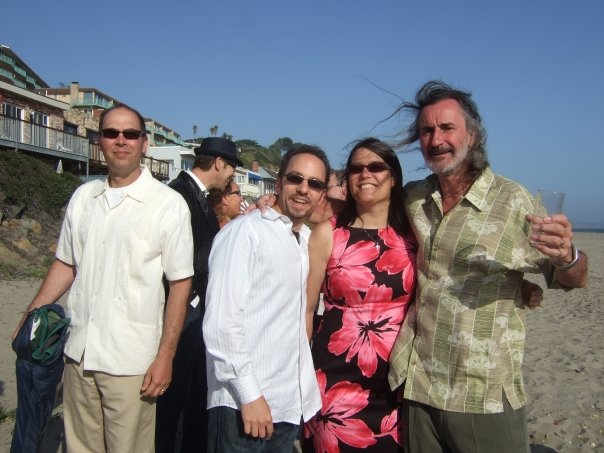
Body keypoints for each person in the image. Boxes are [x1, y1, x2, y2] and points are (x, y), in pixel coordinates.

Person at [387, 80, 588, 453]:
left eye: (447, 128)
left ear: (473, 135)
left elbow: (574, 278)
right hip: (420, 385)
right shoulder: (414, 198)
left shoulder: (513, 201)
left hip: (484, 394)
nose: (436, 139)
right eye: (427, 131)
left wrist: (567, 257)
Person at [12, 103, 194, 453]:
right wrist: (30, 315)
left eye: (130, 134)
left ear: (144, 143)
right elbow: (66, 264)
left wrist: (165, 357)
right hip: (78, 352)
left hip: (132, 361)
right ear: (99, 141)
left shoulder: (168, 204)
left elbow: (180, 285)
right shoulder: (84, 196)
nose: (120, 140)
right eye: (111, 133)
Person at [203, 144, 329, 452]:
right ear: (279, 182)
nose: (304, 189)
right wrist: (249, 394)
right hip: (242, 405)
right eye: (295, 179)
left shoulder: (305, 242)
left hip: (288, 406)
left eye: (314, 184)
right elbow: (221, 323)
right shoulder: (246, 231)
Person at [303, 138, 417, 452]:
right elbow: (306, 310)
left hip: (398, 383)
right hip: (335, 380)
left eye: (376, 167)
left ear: (394, 178)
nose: (365, 174)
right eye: (355, 169)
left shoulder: (414, 234)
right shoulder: (328, 233)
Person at [156, 136, 241, 452]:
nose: (230, 176)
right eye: (230, 168)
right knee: (175, 393)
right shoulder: (180, 195)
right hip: (183, 306)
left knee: (191, 389)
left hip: (193, 305)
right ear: (219, 163)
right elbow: (185, 259)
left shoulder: (194, 195)